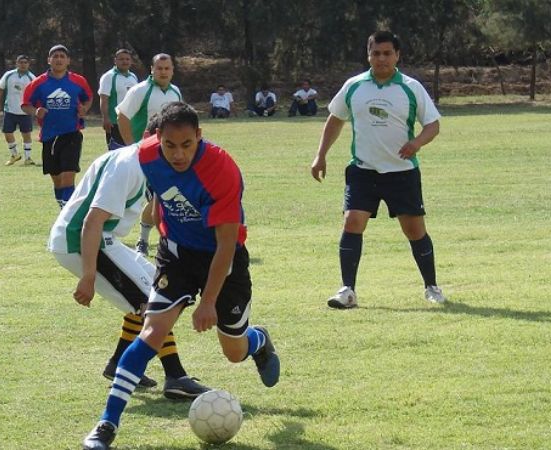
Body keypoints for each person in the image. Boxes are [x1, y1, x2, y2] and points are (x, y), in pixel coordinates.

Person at [82, 102, 280, 450]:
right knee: (152, 330)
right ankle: (107, 424)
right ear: (157, 139)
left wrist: (208, 302)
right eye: (170, 145)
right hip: (176, 255)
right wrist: (160, 217)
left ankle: (258, 341)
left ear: (199, 137)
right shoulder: (145, 155)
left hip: (224, 258)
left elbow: (226, 243)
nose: (178, 154)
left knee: (233, 351)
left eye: (187, 144)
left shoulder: (221, 169)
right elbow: (160, 188)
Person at [48, 114, 209, 402]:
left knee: (157, 295)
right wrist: (88, 276)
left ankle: (118, 364)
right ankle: (176, 376)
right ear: (151, 136)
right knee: (152, 304)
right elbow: (92, 221)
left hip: (104, 241)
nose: (173, 152)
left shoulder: (150, 165)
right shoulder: (128, 165)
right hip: (82, 241)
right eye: (167, 143)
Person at [310, 30, 447, 309]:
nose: (381, 58)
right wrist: (320, 155)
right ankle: (347, 290)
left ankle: (432, 286)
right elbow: (335, 120)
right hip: (363, 171)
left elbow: (433, 124)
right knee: (352, 222)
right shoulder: (354, 86)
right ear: (368, 55)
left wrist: (416, 143)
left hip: (401, 173)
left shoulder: (410, 87)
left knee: (414, 230)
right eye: (376, 53)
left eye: (387, 53)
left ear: (397, 55)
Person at [115, 53, 183, 256]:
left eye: (167, 68)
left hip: (171, 156)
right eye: (159, 68)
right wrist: (132, 146)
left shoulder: (175, 92)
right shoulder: (140, 91)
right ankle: (144, 240)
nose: (163, 72)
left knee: (166, 197)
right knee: (158, 198)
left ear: (172, 70)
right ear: (152, 70)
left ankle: (162, 239)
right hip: (147, 156)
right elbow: (122, 116)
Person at [22, 45, 92, 209]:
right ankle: (63, 208)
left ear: (68, 60)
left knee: (68, 174)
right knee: (57, 178)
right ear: (49, 60)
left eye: (62, 56)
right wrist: (36, 111)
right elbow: (25, 104)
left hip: (72, 134)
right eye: (55, 56)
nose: (59, 59)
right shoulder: (38, 83)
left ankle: (69, 214)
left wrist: (84, 109)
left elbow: (88, 97)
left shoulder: (78, 81)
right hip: (49, 136)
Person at [0, 55, 37, 166]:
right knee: (7, 133)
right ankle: (15, 154)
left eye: (25, 62)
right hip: (10, 110)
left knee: (26, 134)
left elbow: (38, 93)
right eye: (20, 62)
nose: (23, 64)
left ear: (28, 64)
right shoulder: (9, 75)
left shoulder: (32, 78)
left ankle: (28, 158)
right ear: (16, 63)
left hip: (25, 111)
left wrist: (35, 108)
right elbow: (0, 89)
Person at [98, 49, 139, 150]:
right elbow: (104, 99)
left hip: (132, 122)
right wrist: (105, 118)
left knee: (132, 152)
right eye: (121, 59)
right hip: (115, 123)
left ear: (131, 61)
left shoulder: (133, 77)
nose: (124, 61)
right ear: (115, 61)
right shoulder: (109, 76)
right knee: (116, 152)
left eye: (127, 59)